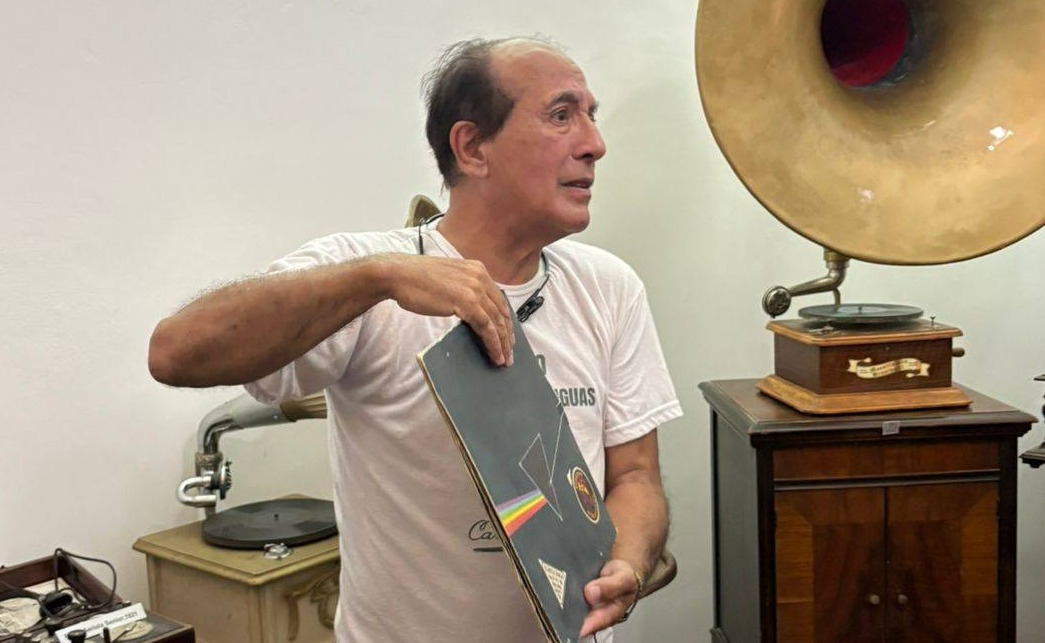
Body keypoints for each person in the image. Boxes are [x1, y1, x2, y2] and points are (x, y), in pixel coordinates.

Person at [149, 36, 682, 643]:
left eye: (591, 115)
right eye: (561, 116)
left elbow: (635, 476)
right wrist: (375, 279)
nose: (594, 144)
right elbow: (174, 353)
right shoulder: (366, 274)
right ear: (472, 147)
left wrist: (628, 562)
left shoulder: (611, 287)